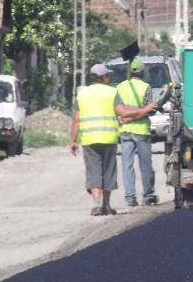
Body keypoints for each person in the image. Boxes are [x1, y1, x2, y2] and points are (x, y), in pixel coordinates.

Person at [70, 63, 121, 216]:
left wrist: (73, 141)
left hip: (89, 139)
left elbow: (76, 119)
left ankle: (96, 206)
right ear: (104, 77)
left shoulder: (82, 94)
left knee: (94, 171)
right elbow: (121, 112)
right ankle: (107, 205)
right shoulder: (112, 92)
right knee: (108, 172)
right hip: (109, 138)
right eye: (107, 75)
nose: (109, 77)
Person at [115, 59, 165, 207]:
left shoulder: (120, 87)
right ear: (143, 72)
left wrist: (127, 119)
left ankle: (130, 197)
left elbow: (119, 110)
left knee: (127, 165)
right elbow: (147, 111)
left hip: (125, 131)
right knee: (145, 165)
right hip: (142, 131)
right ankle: (148, 195)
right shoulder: (146, 87)